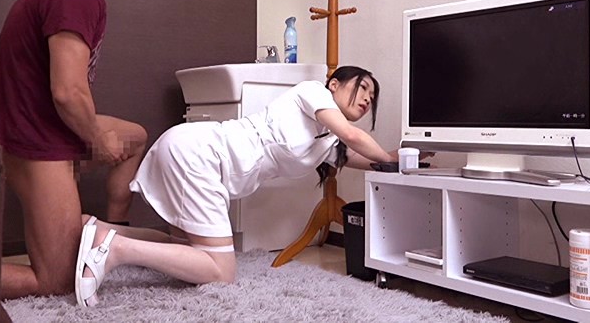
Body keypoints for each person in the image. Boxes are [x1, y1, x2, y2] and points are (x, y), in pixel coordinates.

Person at [74, 66, 400, 306]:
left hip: (198, 155)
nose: (367, 100)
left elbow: (364, 157)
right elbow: (353, 137)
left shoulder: (326, 142)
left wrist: (405, 157)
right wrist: (386, 157)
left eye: (372, 98)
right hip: (201, 155)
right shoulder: (313, 92)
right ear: (334, 84)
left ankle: (97, 229)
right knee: (221, 271)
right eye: (363, 88)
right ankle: (114, 249)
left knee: (189, 253)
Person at [0, 0, 172, 299]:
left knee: (134, 137)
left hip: (46, 122)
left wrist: (97, 138)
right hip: (30, 137)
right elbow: (67, 92)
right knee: (57, 279)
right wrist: (95, 140)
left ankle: (107, 240)